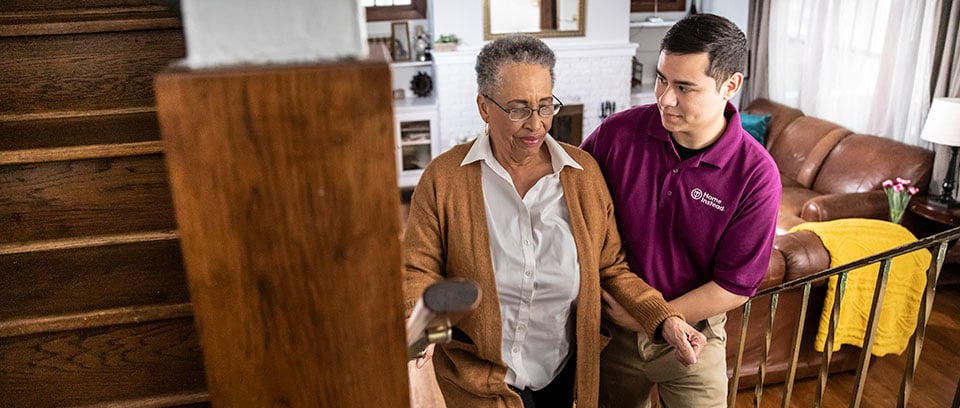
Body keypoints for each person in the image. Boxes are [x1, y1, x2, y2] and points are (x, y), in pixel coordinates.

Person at [403, 34, 707, 408]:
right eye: (517, 109)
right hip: (478, 381)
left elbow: (610, 268)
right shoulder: (444, 178)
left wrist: (665, 320)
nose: (536, 125)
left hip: (562, 375)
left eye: (545, 106)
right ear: (484, 107)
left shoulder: (583, 176)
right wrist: (422, 327)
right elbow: (418, 268)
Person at [580, 14, 781, 407]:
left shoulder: (757, 176)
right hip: (609, 333)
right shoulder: (617, 134)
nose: (664, 98)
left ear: (731, 86)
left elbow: (734, 284)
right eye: (661, 79)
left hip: (693, 335)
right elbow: (568, 202)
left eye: (684, 87)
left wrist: (650, 316)